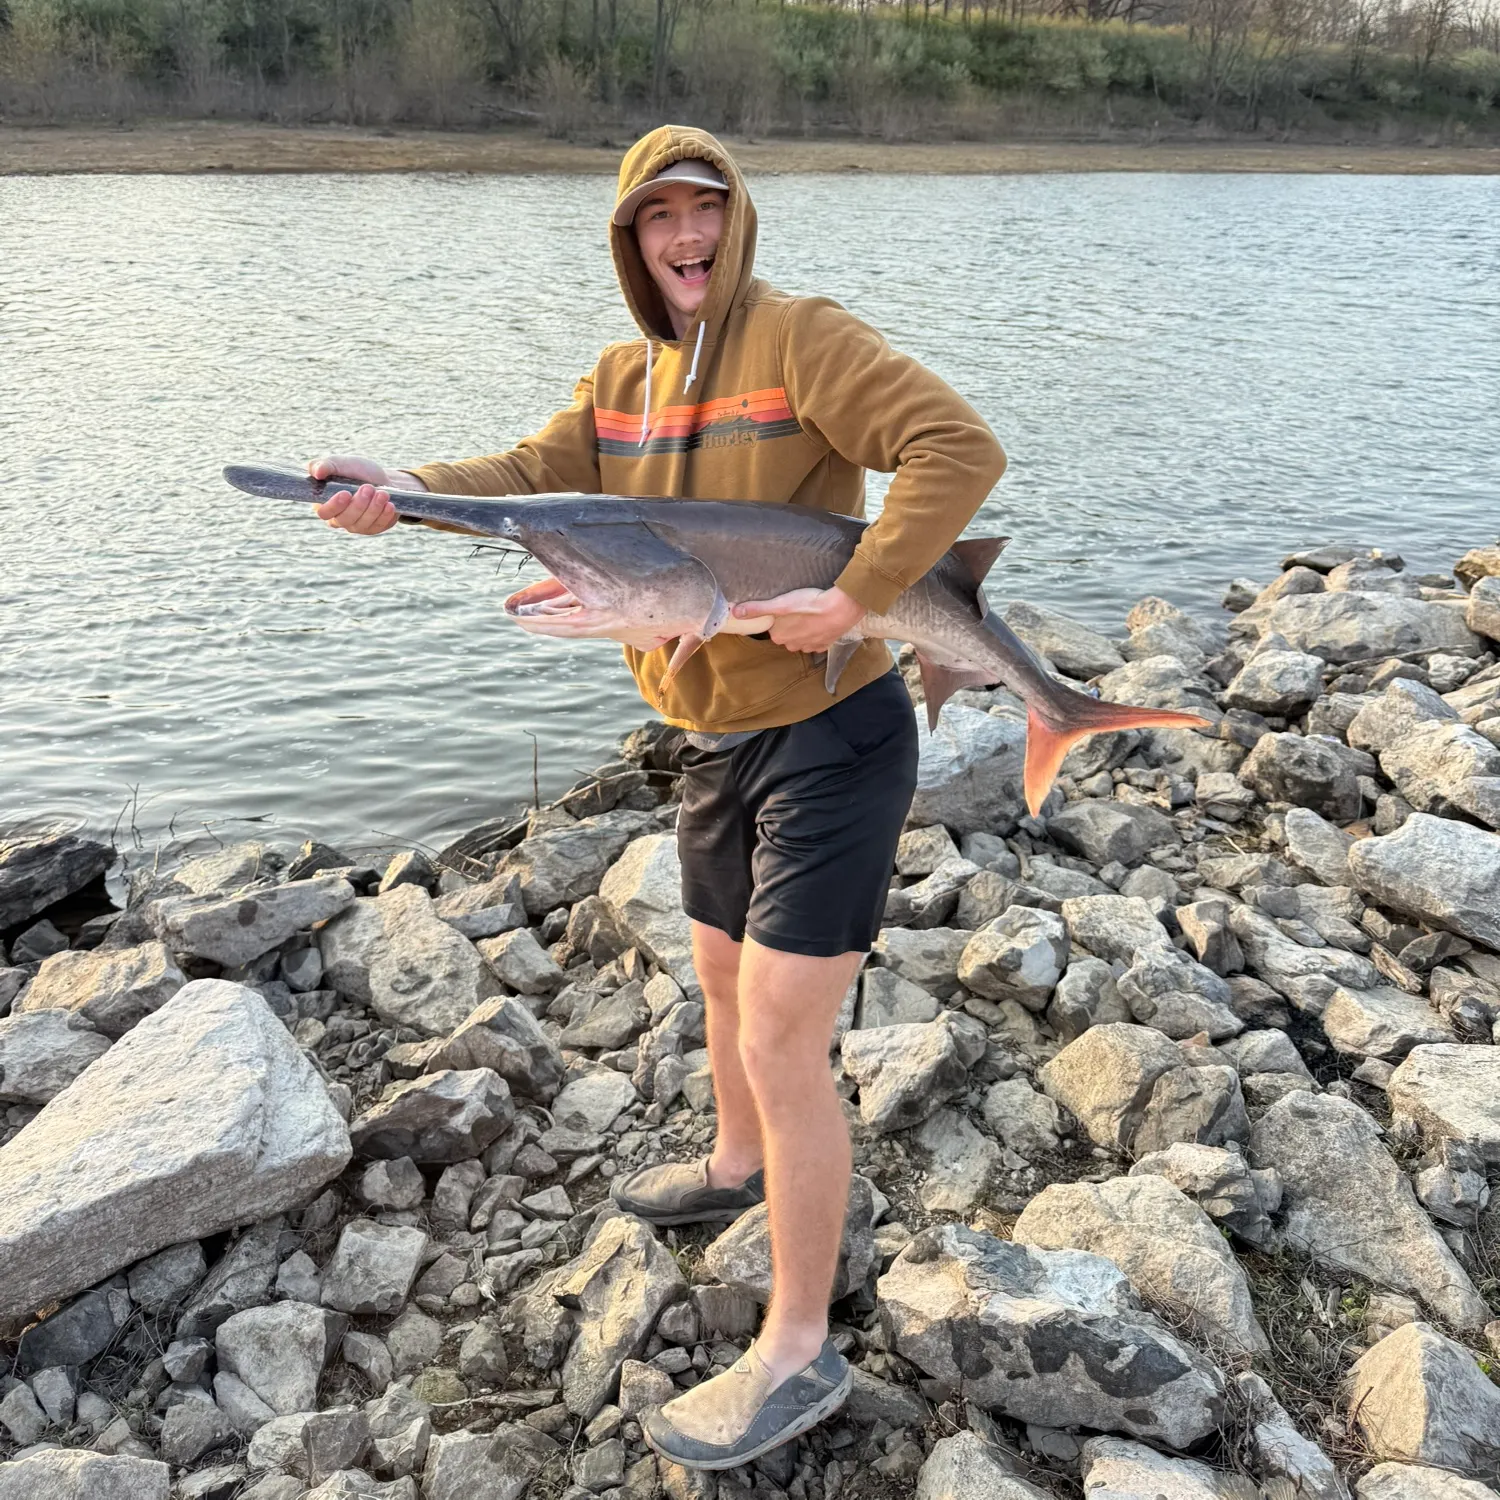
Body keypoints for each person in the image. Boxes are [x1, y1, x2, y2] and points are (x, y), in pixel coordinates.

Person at [306, 123, 1005, 1471]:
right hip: (707, 736)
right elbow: (526, 485)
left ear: (734, 222)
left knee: (786, 1038)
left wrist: (859, 601)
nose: (683, 237)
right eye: (654, 220)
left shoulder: (803, 338)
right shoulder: (620, 378)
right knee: (724, 987)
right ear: (631, 243)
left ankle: (797, 1345)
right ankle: (736, 1168)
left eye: (703, 212)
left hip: (835, 731)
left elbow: (953, 448)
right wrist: (402, 491)